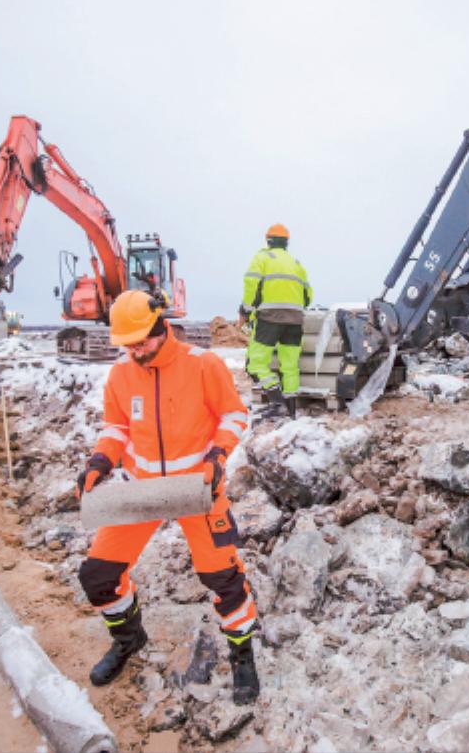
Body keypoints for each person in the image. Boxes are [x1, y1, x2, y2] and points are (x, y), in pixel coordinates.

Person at [74, 290, 260, 705]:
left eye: (141, 342)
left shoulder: (202, 364)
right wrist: (100, 461)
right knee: (98, 576)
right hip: (145, 491)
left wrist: (217, 456)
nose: (135, 352)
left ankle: (242, 654)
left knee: (223, 580)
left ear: (161, 325)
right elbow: (116, 428)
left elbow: (234, 414)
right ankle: (128, 639)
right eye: (128, 345)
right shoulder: (122, 374)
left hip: (198, 490)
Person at [240, 223, 313, 417]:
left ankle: (277, 402)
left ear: (268, 240)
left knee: (254, 365)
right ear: (286, 242)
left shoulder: (262, 258)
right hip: (296, 320)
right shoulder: (297, 264)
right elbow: (308, 296)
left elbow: (251, 283)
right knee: (290, 366)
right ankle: (290, 410)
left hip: (270, 318)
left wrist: (246, 309)